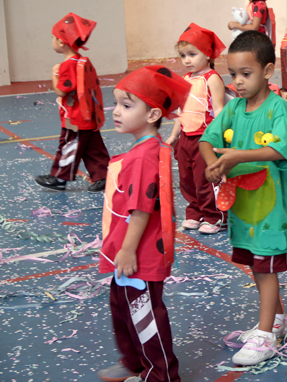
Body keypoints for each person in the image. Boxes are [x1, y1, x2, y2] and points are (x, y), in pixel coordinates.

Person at [199, 31, 287, 365]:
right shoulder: (232, 109)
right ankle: (277, 320)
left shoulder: (278, 109)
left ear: (268, 70)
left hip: (272, 214)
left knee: (266, 269)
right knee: (258, 267)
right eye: (233, 75)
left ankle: (266, 335)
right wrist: (213, 162)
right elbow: (207, 139)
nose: (238, 82)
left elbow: (279, 149)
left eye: (246, 74)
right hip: (245, 211)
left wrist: (236, 157)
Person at [97, 65, 191, 382]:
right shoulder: (142, 150)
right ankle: (136, 363)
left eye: (127, 105)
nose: (116, 112)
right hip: (130, 254)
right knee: (123, 310)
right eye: (116, 103)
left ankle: (160, 375)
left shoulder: (144, 156)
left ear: (152, 115)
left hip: (139, 256)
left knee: (144, 316)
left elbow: (140, 209)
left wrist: (126, 250)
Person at [35, 13, 110, 192]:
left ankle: (59, 178)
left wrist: (55, 73)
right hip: (88, 116)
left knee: (68, 146)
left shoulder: (68, 65)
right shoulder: (83, 61)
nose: (52, 41)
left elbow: (61, 90)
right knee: (93, 149)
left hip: (75, 118)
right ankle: (104, 176)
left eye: (54, 38)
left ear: (61, 42)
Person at [166, 23, 227, 234]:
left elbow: (219, 109)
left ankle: (215, 215)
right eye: (183, 56)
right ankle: (195, 212)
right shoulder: (184, 79)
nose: (187, 60)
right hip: (185, 139)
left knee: (206, 179)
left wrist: (219, 138)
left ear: (208, 54)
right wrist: (174, 135)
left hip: (205, 138)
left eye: (192, 54)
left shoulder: (212, 78)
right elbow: (181, 110)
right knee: (187, 179)